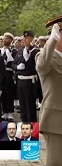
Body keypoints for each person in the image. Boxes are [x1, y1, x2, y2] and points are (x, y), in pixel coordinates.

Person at [35, 16, 62, 165]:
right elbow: (42, 67)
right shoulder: (44, 57)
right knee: (56, 162)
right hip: (56, 121)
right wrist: (51, 40)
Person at [11, 30, 39, 122]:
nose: (25, 40)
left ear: (32, 39)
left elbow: (36, 67)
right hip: (20, 81)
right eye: (24, 38)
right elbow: (13, 64)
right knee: (22, 106)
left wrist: (28, 61)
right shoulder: (20, 51)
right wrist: (17, 67)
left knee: (30, 106)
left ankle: (32, 128)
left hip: (29, 81)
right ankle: (24, 125)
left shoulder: (35, 51)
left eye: (27, 38)